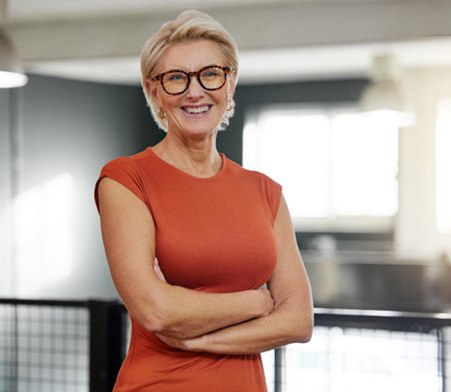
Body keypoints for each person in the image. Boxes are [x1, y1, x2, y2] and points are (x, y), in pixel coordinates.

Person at [94, 9, 313, 391]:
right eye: (176, 78)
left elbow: (298, 320)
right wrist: (258, 303)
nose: (195, 92)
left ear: (230, 83)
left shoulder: (266, 192)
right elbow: (156, 312)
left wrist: (198, 338)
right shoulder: (126, 180)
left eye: (210, 74)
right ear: (154, 91)